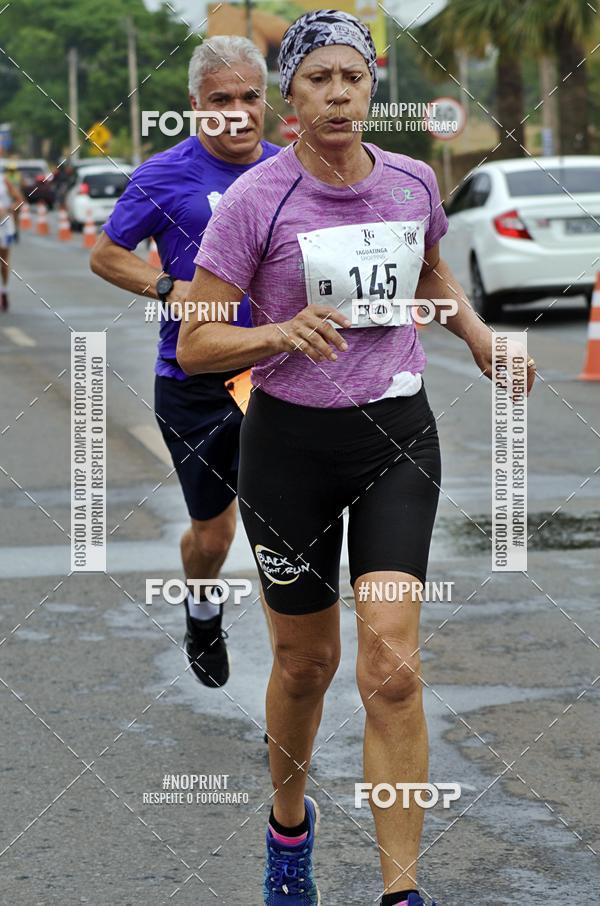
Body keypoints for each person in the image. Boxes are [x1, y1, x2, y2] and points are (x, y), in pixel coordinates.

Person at [178, 9, 537, 905]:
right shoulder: (259, 199)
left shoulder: (413, 181)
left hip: (396, 437)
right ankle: (289, 828)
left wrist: (480, 337)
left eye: (353, 78)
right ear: (290, 98)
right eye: (316, 81)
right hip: (289, 448)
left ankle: (401, 890)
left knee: (392, 670)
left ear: (373, 87)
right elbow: (195, 345)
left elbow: (426, 276)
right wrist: (276, 334)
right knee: (306, 665)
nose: (337, 94)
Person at [90, 36, 280, 688]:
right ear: (196, 106)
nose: (236, 111)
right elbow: (107, 254)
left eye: (249, 96)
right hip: (194, 380)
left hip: (276, 377)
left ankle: (294, 685)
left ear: (266, 100)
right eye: (220, 99)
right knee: (213, 534)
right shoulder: (163, 175)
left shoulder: (293, 171)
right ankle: (202, 608)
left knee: (283, 531)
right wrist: (173, 289)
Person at [0, 168, 23, 310]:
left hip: (4, 227)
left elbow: (20, 201)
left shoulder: (4, 181)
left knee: (4, 261)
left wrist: (8, 208)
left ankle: (4, 291)